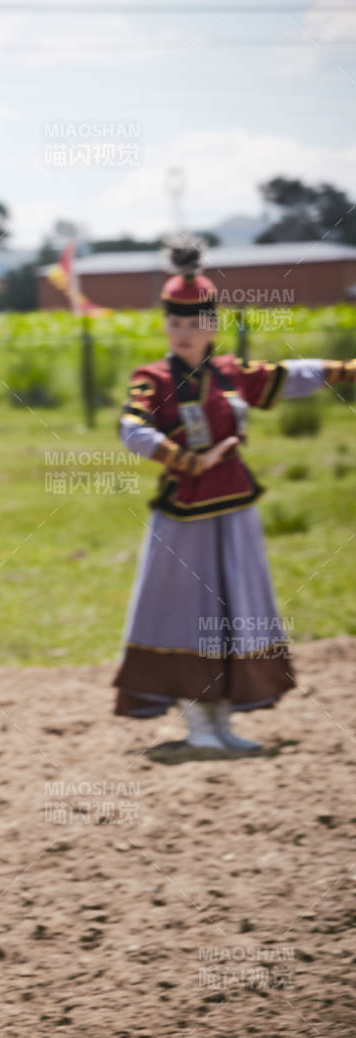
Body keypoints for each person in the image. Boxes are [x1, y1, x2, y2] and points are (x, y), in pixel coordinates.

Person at [112, 242, 352, 751]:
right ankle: (197, 724)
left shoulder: (229, 373)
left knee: (234, 612)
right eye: (175, 325)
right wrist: (185, 460)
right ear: (166, 326)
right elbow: (131, 428)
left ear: (212, 327)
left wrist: (346, 370)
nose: (184, 334)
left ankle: (223, 721)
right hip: (185, 518)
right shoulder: (151, 379)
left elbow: (294, 376)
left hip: (237, 512)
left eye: (194, 325)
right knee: (186, 613)